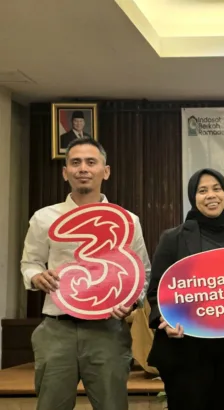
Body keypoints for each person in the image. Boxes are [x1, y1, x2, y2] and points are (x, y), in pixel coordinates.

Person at [20, 138, 152, 410]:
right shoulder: (44, 218)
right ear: (65, 172)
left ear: (106, 171)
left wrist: (131, 302)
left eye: (91, 162)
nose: (83, 168)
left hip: (108, 330)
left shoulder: (127, 221)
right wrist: (36, 277)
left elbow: (142, 273)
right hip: (57, 329)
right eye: (75, 162)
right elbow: (30, 263)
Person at [146, 168, 224, 410]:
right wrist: (165, 320)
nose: (211, 195)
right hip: (187, 353)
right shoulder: (173, 239)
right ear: (192, 197)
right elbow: (155, 293)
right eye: (202, 190)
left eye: (217, 189)